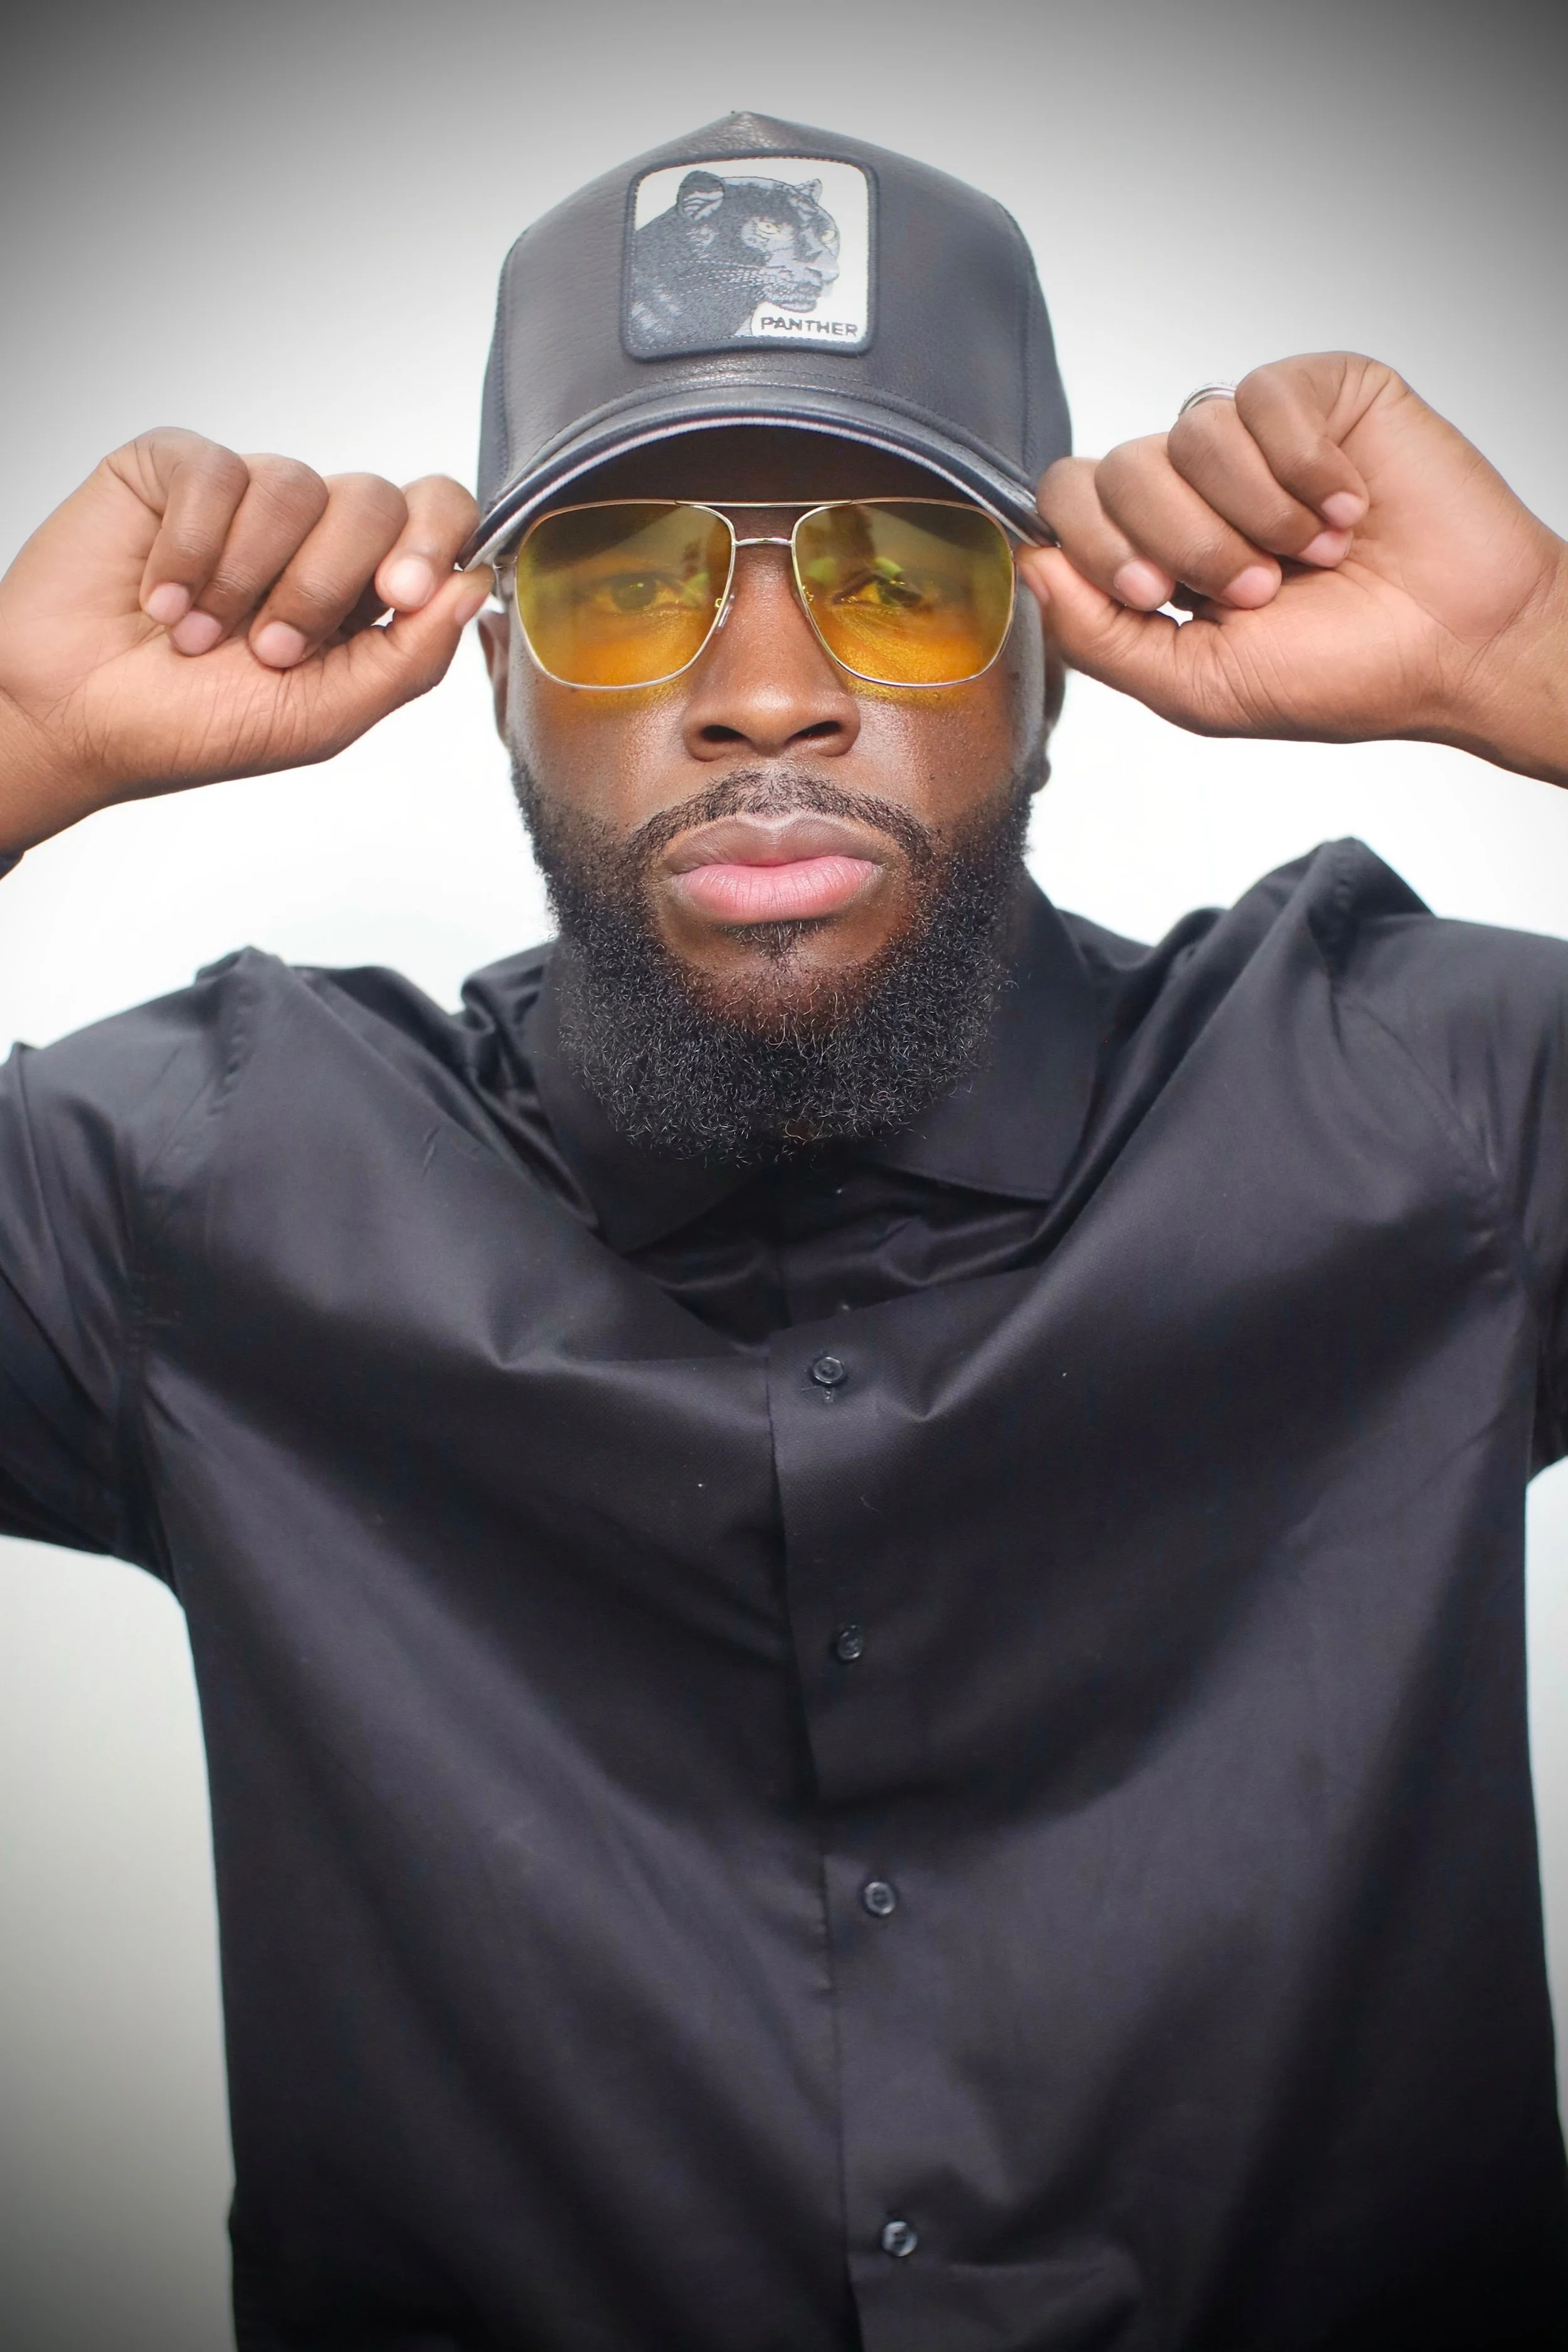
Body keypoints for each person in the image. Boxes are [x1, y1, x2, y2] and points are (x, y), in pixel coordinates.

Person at [0, 106, 1565, 2351]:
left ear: (1055, 654)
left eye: (900, 570)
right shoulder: (199, 1191)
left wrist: (1531, 646)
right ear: (495, 670)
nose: (761, 688)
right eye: (622, 573)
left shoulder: (1430, 1114)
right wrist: (17, 729)